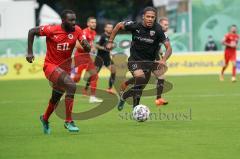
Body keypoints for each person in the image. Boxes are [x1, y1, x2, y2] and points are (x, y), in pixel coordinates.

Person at [26, 10, 91, 134]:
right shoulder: (52, 30)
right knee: (71, 85)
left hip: (65, 69)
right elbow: (32, 31)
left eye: (74, 20)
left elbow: (84, 43)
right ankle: (69, 121)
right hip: (50, 66)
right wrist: (30, 52)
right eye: (71, 20)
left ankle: (44, 119)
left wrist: (87, 46)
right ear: (63, 21)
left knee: (55, 98)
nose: (74, 22)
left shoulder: (77, 30)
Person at [106, 7, 172, 111]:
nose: (150, 19)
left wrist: (163, 60)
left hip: (149, 62)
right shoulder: (135, 25)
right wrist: (110, 41)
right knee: (140, 78)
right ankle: (136, 108)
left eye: (152, 17)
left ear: (155, 18)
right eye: (148, 17)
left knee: (141, 86)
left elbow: (169, 48)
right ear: (143, 17)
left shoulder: (158, 29)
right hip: (134, 60)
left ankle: (124, 96)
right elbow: (119, 25)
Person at [120, 17, 170, 106]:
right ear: (159, 24)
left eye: (168, 25)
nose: (167, 27)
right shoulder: (151, 31)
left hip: (154, 59)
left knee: (161, 76)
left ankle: (158, 99)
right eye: (165, 25)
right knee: (141, 83)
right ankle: (126, 90)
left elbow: (161, 47)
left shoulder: (164, 36)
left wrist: (162, 56)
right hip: (142, 59)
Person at [71, 17, 103, 103]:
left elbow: (91, 44)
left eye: (95, 22)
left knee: (95, 76)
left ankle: (92, 98)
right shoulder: (84, 32)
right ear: (88, 23)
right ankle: (63, 88)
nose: (94, 24)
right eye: (92, 22)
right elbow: (77, 45)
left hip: (87, 58)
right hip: (80, 57)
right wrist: (88, 48)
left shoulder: (94, 32)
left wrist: (92, 47)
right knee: (77, 78)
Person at [84, 23, 116, 94]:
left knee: (113, 70)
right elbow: (96, 45)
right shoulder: (102, 36)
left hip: (107, 58)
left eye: (111, 27)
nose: (110, 29)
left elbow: (110, 46)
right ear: (105, 28)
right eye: (109, 27)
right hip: (100, 58)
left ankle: (110, 88)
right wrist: (105, 48)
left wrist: (112, 48)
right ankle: (86, 88)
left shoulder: (111, 36)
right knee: (94, 74)